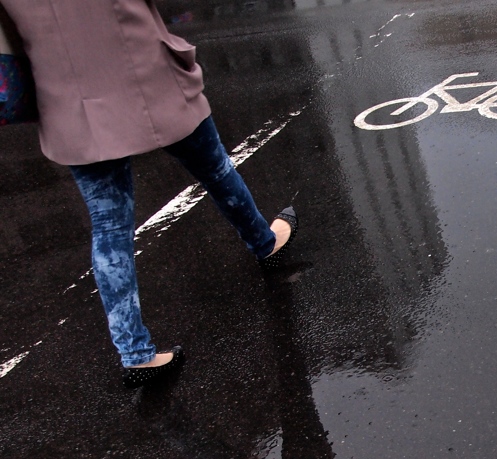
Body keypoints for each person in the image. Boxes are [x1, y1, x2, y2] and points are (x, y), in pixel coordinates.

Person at [1, 0, 295, 387]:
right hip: (146, 75)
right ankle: (264, 243)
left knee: (108, 224)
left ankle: (135, 352)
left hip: (68, 101)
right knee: (214, 168)